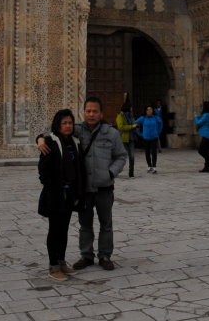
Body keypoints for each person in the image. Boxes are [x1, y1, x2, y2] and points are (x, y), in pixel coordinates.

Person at [37, 97, 127, 270]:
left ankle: (105, 255)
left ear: (101, 114)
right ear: (83, 112)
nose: (91, 114)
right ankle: (86, 255)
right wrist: (40, 139)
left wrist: (111, 173)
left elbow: (121, 156)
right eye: (88, 111)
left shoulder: (112, 133)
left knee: (106, 223)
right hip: (84, 189)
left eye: (95, 111)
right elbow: (53, 130)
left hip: (104, 187)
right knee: (85, 224)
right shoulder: (77, 129)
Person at [37, 109, 86, 280]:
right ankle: (53, 266)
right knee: (55, 230)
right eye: (64, 123)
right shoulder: (50, 142)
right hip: (55, 195)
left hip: (69, 194)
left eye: (70, 123)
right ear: (58, 125)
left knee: (64, 230)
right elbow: (43, 171)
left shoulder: (74, 142)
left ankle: (61, 261)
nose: (68, 126)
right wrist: (54, 188)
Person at [134, 105, 163, 174]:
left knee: (154, 152)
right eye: (148, 109)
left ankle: (154, 167)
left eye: (151, 109)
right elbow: (135, 124)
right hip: (145, 137)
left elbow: (160, 123)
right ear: (145, 111)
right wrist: (139, 133)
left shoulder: (155, 117)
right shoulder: (143, 118)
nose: (149, 111)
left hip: (154, 137)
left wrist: (158, 131)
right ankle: (149, 166)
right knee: (147, 152)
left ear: (152, 111)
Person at [115, 98, 137, 178]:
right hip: (123, 139)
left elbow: (134, 122)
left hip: (131, 138)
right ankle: (115, 171)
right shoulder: (120, 116)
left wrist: (135, 125)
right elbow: (121, 127)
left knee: (132, 156)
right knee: (121, 157)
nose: (131, 109)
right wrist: (131, 126)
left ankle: (131, 173)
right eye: (130, 107)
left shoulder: (131, 116)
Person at [195, 101, 209, 172]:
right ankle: (206, 166)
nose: (201, 107)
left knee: (201, 150)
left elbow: (198, 123)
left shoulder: (206, 115)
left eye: (202, 106)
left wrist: (196, 117)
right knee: (206, 151)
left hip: (206, 134)